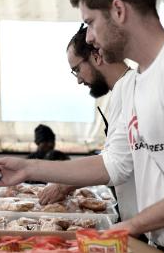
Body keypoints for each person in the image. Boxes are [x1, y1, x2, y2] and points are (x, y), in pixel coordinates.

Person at [0, 0, 164, 252]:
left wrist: (129, 226)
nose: (89, 38)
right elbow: (114, 164)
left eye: (90, 22)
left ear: (119, 10)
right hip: (162, 244)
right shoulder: (139, 80)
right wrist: (28, 168)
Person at [38, 25, 138, 224]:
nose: (78, 80)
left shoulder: (133, 89)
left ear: (96, 55)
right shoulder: (121, 90)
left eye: (77, 70)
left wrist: (62, 182)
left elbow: (116, 164)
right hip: (137, 220)